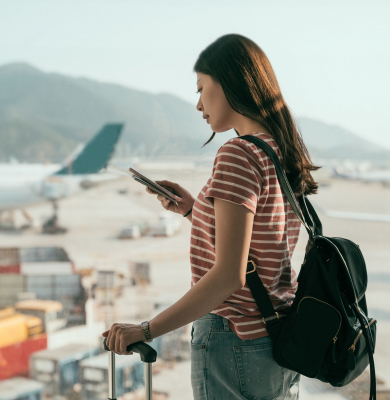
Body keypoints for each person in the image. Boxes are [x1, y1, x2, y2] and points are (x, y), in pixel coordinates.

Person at [102, 33, 320, 399]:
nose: (198, 103)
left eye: (201, 88)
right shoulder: (277, 152)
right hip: (277, 340)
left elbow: (229, 276)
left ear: (231, 81)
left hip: (232, 340)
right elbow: (258, 247)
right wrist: (192, 209)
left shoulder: (238, 154)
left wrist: (147, 329)